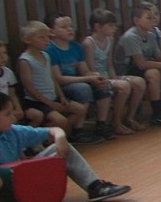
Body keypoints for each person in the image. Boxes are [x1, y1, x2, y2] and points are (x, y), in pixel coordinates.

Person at [0, 91, 131, 202]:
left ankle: (95, 187)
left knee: (62, 148)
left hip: (18, 185)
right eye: (7, 114)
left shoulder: (14, 132)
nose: (13, 118)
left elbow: (54, 130)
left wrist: (60, 136)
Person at [16, 21, 101, 145]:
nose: (46, 40)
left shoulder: (46, 55)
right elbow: (29, 87)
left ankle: (48, 137)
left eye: (47, 37)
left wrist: (61, 97)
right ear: (27, 40)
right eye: (41, 37)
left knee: (81, 109)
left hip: (53, 97)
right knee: (61, 120)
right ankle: (40, 137)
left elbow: (52, 78)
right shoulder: (25, 60)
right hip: (37, 101)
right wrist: (50, 103)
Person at [114, 3, 161, 126]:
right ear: (137, 21)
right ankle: (158, 114)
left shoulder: (151, 35)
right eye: (149, 18)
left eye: (154, 17)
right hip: (126, 71)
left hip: (140, 68)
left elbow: (159, 57)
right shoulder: (130, 37)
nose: (153, 20)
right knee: (154, 73)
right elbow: (141, 64)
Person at [45, 12, 115, 141]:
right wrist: (88, 78)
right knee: (83, 88)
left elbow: (84, 70)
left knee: (103, 83)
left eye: (71, 26)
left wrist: (95, 76)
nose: (70, 29)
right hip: (61, 86)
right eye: (64, 27)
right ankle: (78, 131)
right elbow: (58, 78)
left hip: (77, 80)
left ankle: (101, 124)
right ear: (51, 32)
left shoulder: (76, 47)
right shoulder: (50, 50)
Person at [82, 8, 148, 134]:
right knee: (124, 86)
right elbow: (91, 68)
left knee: (139, 82)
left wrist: (114, 78)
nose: (114, 28)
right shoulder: (89, 43)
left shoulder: (110, 40)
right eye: (110, 25)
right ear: (97, 26)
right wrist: (107, 80)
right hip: (97, 78)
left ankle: (129, 118)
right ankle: (116, 122)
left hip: (108, 76)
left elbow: (109, 64)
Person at [0, 38, 40, 125]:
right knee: (10, 119)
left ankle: (26, 133)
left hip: (8, 106)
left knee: (37, 115)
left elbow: (12, 94)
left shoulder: (8, 72)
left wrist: (18, 108)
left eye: (5, 53)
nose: (3, 57)